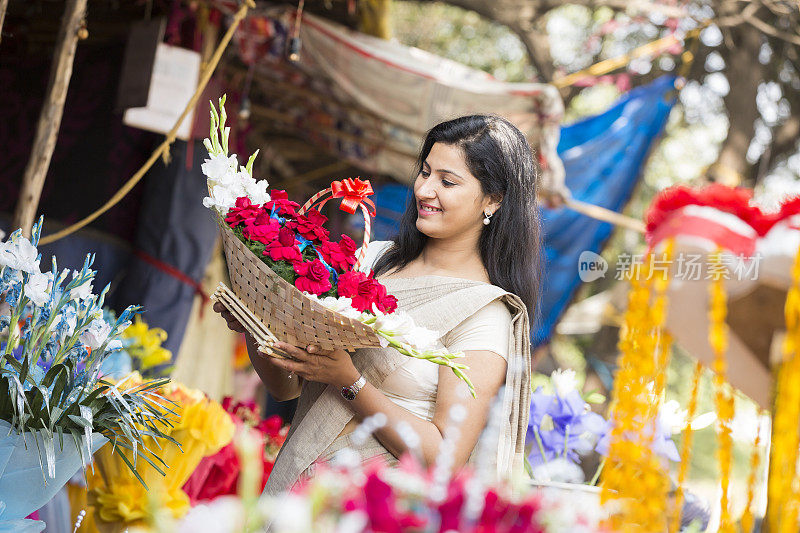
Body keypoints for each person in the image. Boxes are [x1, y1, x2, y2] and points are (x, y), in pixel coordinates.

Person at [215, 114, 543, 495]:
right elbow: (286, 387)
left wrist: (349, 381)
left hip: (371, 508)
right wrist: (257, 320)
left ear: (493, 200)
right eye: (425, 172)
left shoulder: (485, 314)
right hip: (299, 491)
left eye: (447, 181)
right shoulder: (372, 261)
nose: (425, 190)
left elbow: (445, 458)